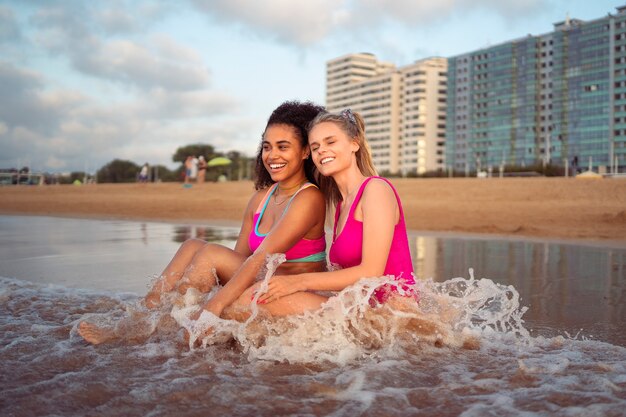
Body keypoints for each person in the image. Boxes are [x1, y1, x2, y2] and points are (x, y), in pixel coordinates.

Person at [78, 101, 328, 344]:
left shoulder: (309, 198)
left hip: (290, 291)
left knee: (209, 254)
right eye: (267, 147)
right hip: (258, 279)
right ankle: (142, 319)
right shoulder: (261, 199)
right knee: (192, 246)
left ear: (305, 151)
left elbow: (259, 257)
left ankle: (160, 330)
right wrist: (208, 292)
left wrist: (213, 306)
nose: (272, 155)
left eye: (283, 147)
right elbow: (238, 259)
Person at [254, 108, 417, 309]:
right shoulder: (341, 206)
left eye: (330, 142)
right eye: (315, 147)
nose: (321, 150)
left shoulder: (375, 190)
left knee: (254, 302)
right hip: (362, 313)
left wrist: (298, 282)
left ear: (354, 143)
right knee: (259, 298)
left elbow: (372, 271)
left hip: (396, 319)